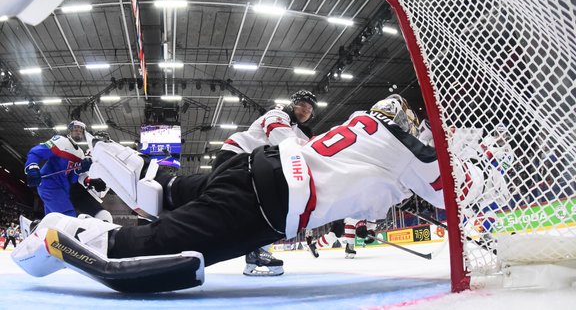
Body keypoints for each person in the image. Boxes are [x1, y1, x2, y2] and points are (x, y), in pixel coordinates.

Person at [12, 94, 484, 293]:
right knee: (159, 246)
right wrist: (472, 162)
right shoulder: (416, 151)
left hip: (246, 169)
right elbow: (456, 194)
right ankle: (65, 233)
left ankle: (144, 171)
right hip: (270, 197)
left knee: (172, 191)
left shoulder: (361, 123)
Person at [211, 89, 317, 276]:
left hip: (251, 165)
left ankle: (257, 252)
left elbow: (311, 148)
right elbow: (283, 140)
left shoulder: (297, 129)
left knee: (265, 207)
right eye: (302, 106)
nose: (305, 111)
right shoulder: (279, 113)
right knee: (254, 207)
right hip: (235, 156)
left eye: (309, 109)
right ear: (293, 104)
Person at [23, 121, 111, 220]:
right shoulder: (60, 141)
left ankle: (40, 232)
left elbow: (72, 178)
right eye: (76, 129)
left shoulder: (80, 153)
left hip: (63, 189)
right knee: (68, 217)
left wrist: (89, 179)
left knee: (52, 220)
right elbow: (36, 152)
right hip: (50, 185)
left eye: (81, 131)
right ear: (69, 131)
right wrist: (32, 167)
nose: (78, 132)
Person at [306, 218, 377, 259]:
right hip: (344, 216)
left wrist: (371, 231)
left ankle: (314, 246)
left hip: (349, 218)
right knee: (332, 237)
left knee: (332, 236)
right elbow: (351, 218)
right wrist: (359, 224)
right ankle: (350, 247)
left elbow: (371, 221)